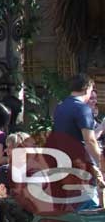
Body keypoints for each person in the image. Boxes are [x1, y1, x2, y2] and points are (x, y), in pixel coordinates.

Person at [52, 73, 105, 207]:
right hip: (79, 164)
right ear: (87, 89)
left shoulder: (60, 107)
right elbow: (90, 140)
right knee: (88, 204)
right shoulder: (82, 108)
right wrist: (100, 162)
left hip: (61, 162)